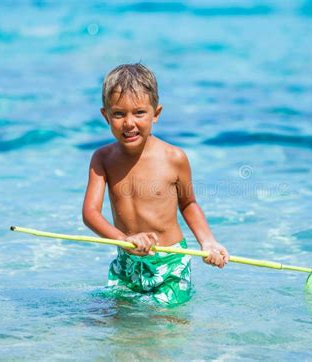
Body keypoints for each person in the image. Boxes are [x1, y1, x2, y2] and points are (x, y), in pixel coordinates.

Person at [82, 63, 229, 305]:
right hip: (127, 261)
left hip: (171, 261)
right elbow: (90, 213)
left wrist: (208, 241)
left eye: (139, 113)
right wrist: (123, 240)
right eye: (119, 114)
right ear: (105, 115)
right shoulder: (102, 158)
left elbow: (188, 203)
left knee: (167, 326)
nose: (129, 123)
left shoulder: (174, 158)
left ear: (156, 113)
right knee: (120, 327)